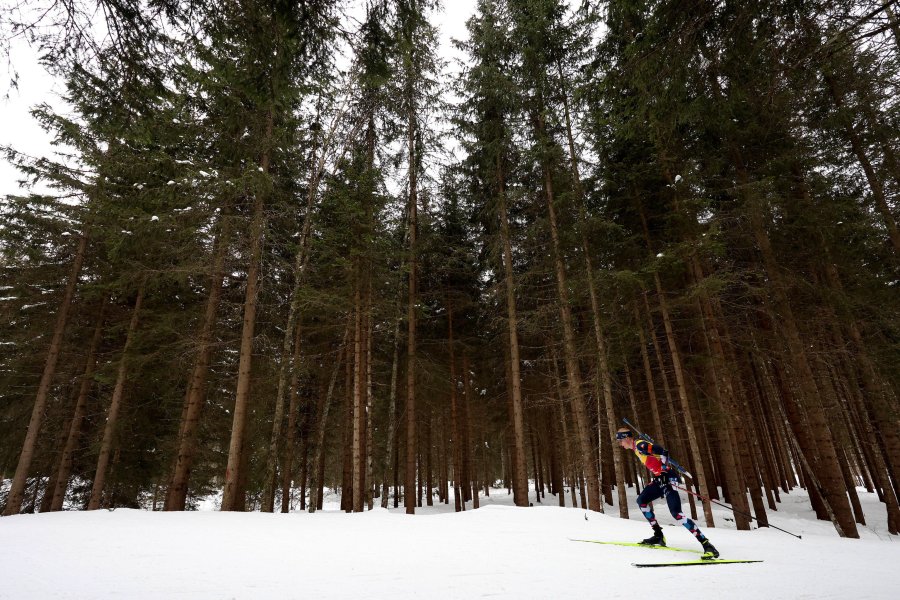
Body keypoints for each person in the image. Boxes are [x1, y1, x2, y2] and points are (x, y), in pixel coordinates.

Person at [615, 426, 719, 558]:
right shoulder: (636, 448)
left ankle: (707, 545)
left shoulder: (640, 445)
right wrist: (660, 475)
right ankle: (658, 536)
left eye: (620, 441)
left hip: (669, 478)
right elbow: (657, 458)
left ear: (627, 438)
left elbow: (663, 452)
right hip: (660, 479)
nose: (620, 444)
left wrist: (664, 472)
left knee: (676, 513)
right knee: (641, 501)